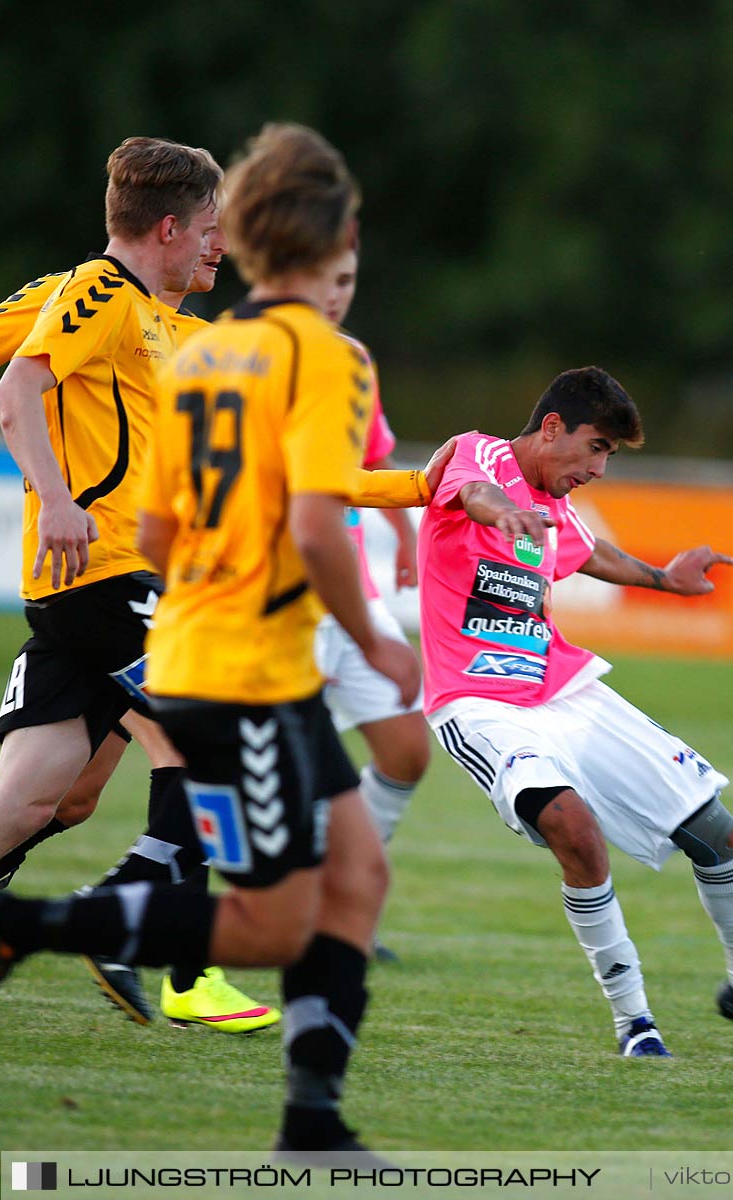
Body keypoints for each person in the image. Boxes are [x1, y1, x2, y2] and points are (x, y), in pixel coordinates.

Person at [0, 122, 413, 1156]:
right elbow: (319, 526)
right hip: (240, 674)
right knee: (276, 924)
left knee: (358, 875)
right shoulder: (332, 362)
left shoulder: (209, 350)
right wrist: (377, 641)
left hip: (227, 659)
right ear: (330, 241)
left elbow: (157, 528)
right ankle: (23, 926)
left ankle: (312, 1121)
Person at [0, 196, 276, 1034]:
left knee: (72, 799)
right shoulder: (77, 296)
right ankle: (175, 963)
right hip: (100, 582)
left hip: (150, 582)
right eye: (212, 235)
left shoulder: (179, 337)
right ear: (170, 229)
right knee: (196, 744)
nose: (222, 252)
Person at [417, 368, 733, 1057]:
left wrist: (663, 579)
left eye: (610, 456)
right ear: (552, 428)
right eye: (596, 447)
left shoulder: (555, 505)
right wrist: (499, 513)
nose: (599, 468)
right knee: (574, 830)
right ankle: (635, 1020)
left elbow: (588, 550)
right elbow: (474, 490)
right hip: (479, 702)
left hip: (566, 688)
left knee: (717, 834)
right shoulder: (480, 454)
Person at [311, 243, 433, 961]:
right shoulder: (245, 353)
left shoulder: (354, 359)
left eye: (348, 279)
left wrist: (404, 535)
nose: (337, 293)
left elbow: (371, 458)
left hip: (351, 587)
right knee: (262, 770)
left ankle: (343, 897)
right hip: (284, 592)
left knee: (407, 750)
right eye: (326, 278)